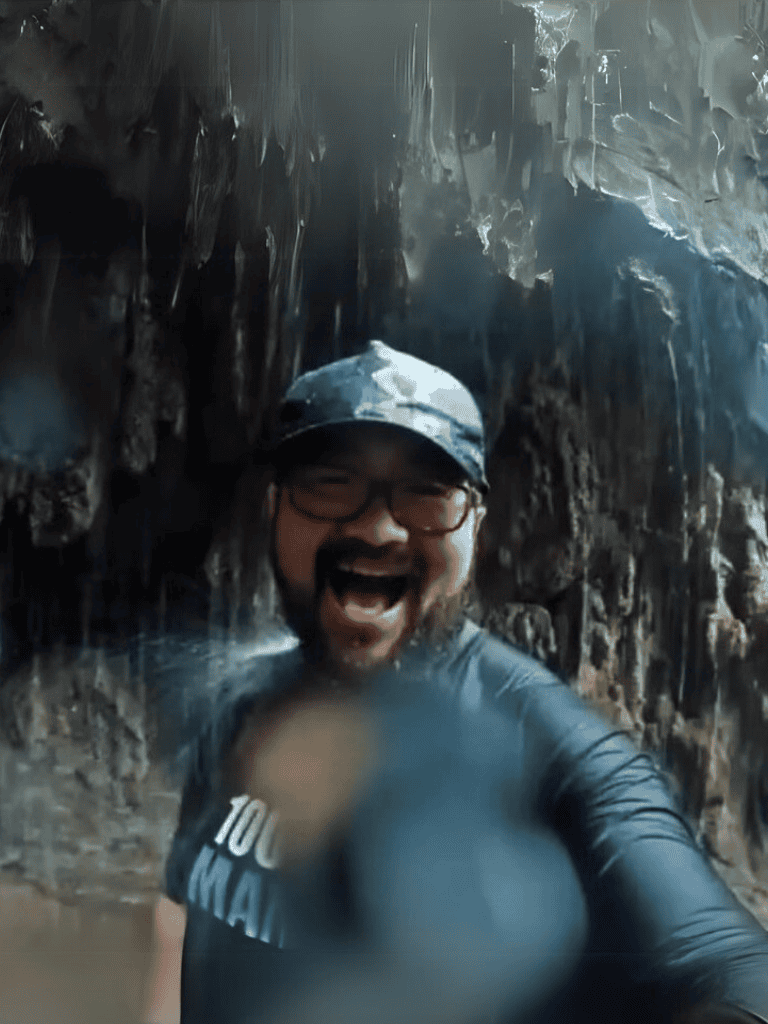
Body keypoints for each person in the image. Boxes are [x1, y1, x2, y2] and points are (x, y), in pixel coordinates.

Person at [143, 340, 768, 1024]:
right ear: (273, 509)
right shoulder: (240, 701)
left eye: (427, 493)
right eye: (329, 482)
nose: (379, 528)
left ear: (477, 525)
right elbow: (180, 914)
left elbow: (725, 966)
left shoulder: (559, 755)